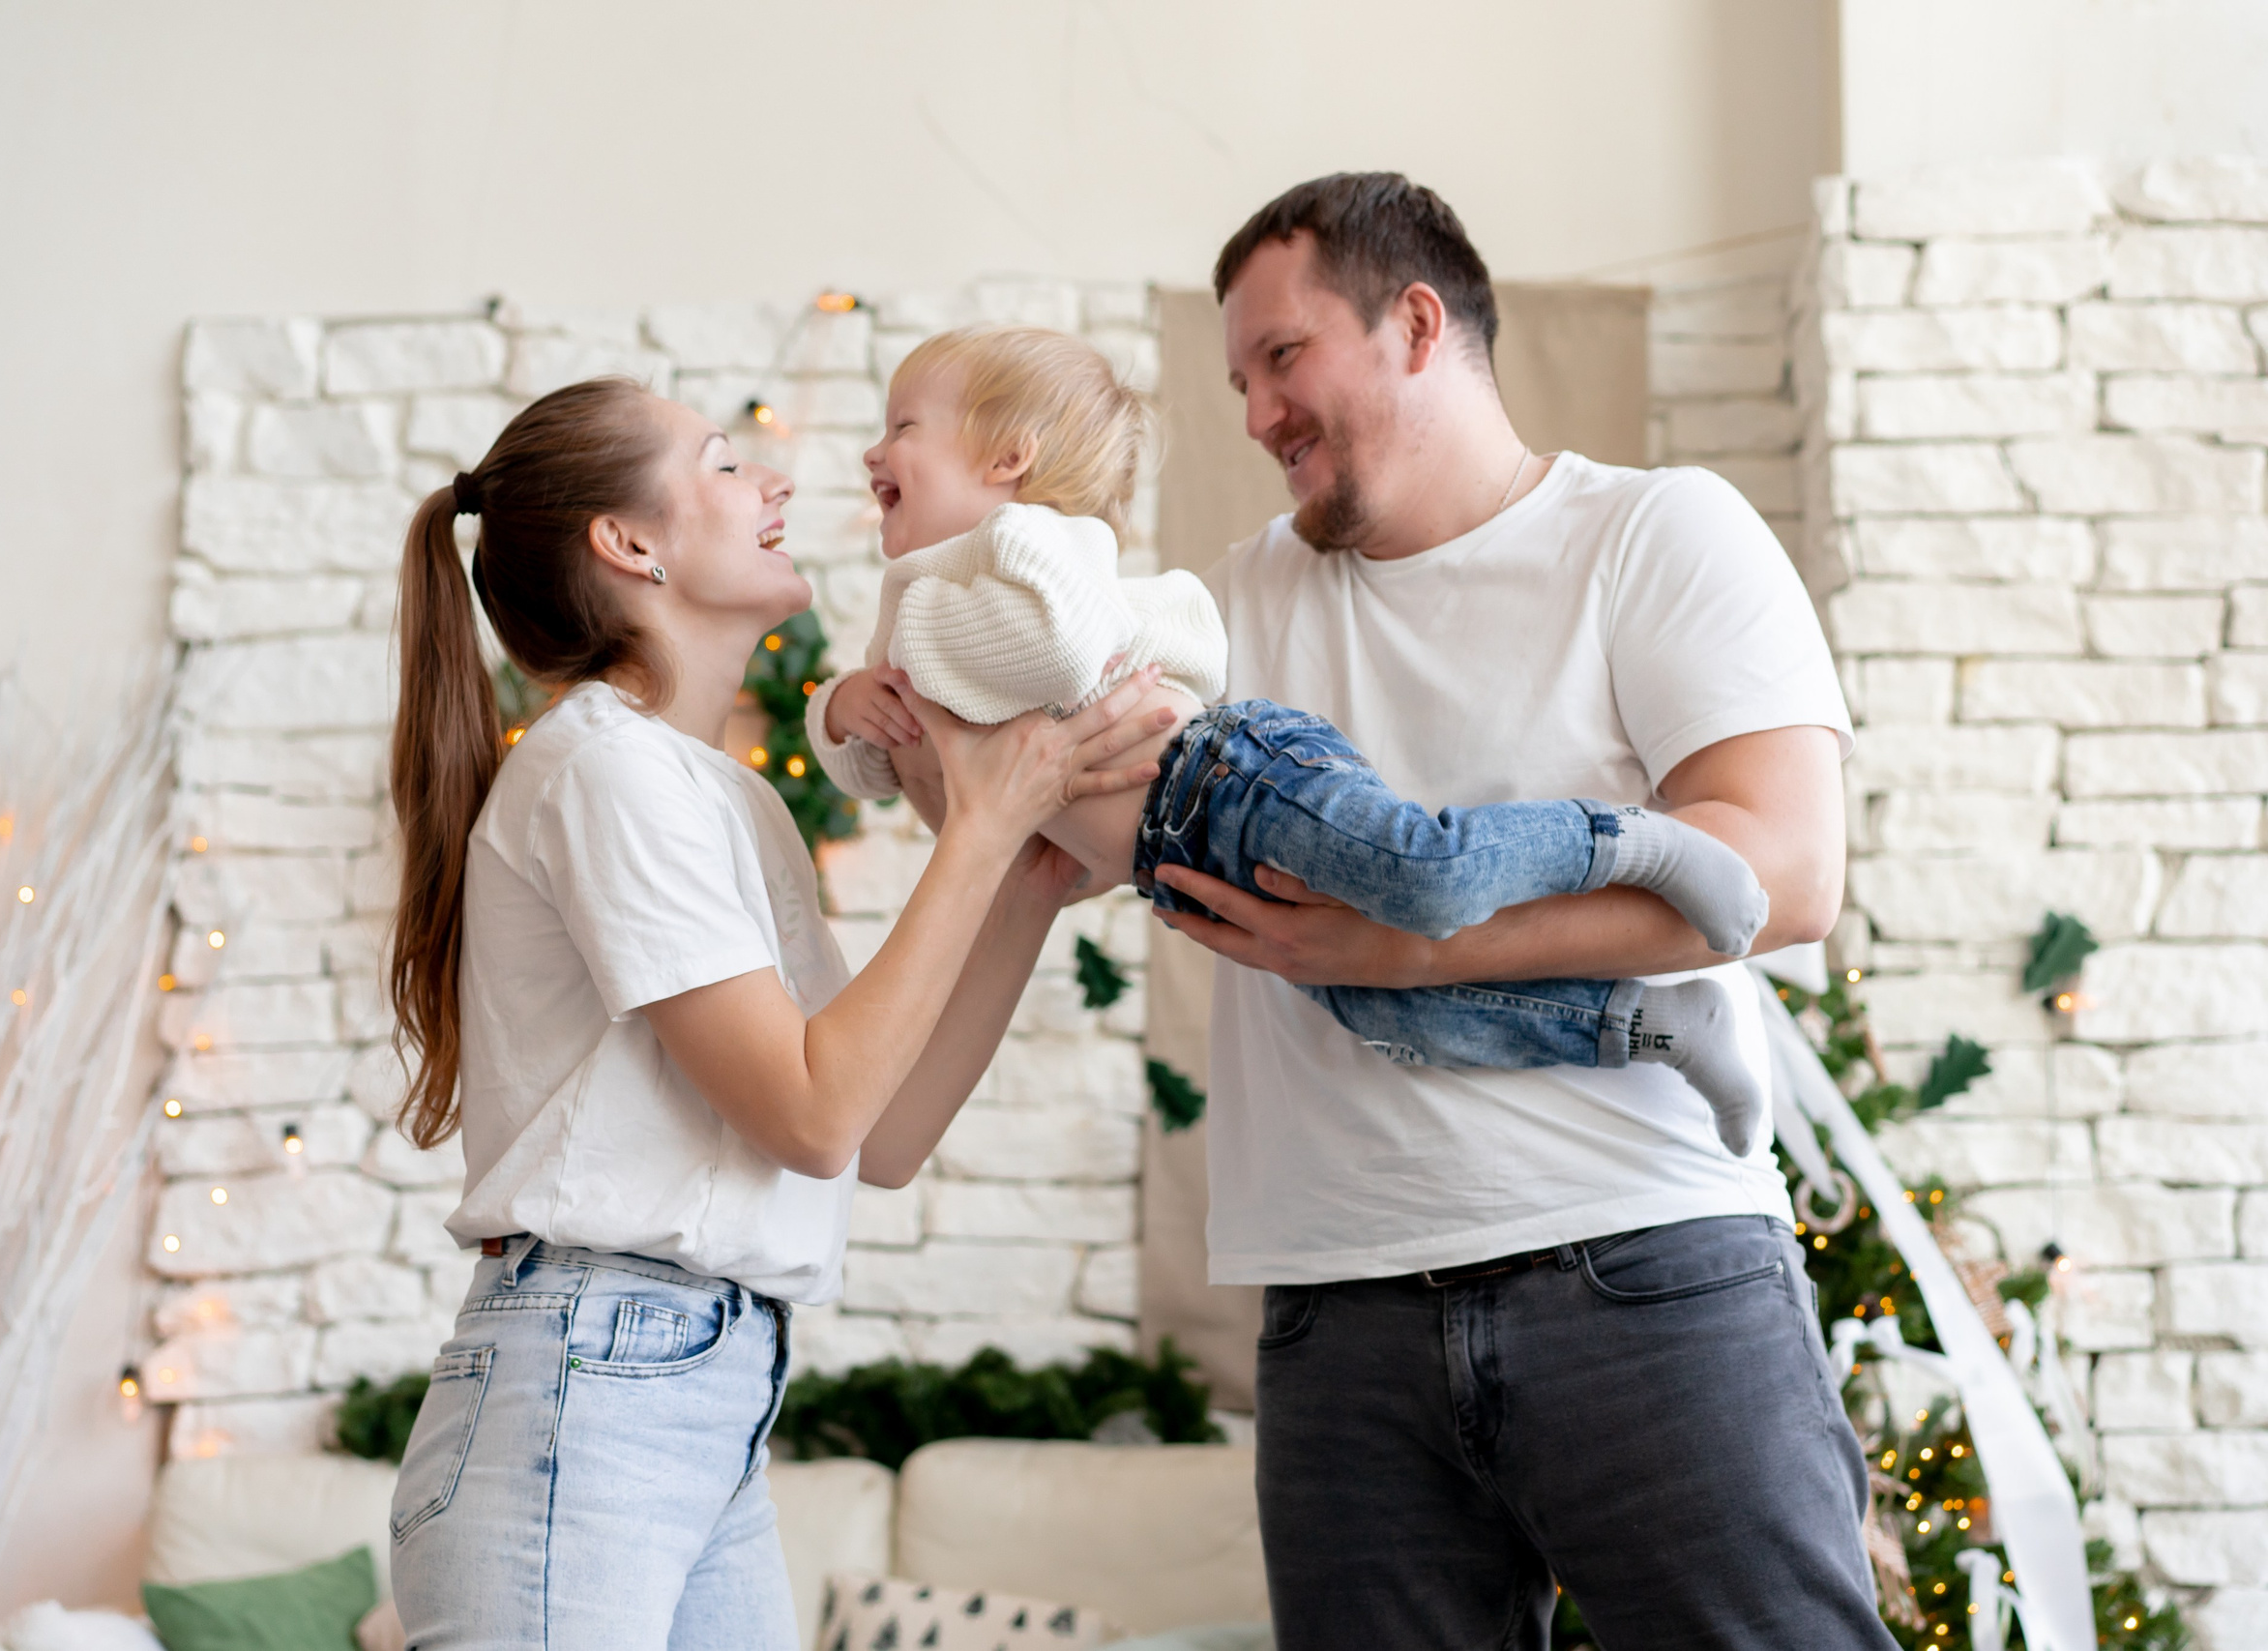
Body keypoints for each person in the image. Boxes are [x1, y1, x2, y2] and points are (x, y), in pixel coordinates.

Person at [1156, 174, 1890, 1650]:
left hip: (1643, 1256)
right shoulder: (1224, 610)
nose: (1257, 414)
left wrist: (1409, 944)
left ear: (1418, 323)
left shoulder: (1655, 534)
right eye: (1238, 382)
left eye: (1283, 357)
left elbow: (1787, 868)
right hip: (1335, 1308)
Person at [379, 376, 1172, 1651]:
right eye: (723, 462)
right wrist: (980, 825)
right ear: (628, 543)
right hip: (590, 1383)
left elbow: (880, 1133)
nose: (777, 481)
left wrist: (1025, 875)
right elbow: (814, 1115)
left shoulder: (728, 799)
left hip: (699, 1388)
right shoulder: (604, 769)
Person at [807, 324, 1773, 1147]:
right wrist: (844, 707)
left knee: (1425, 877)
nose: (872, 454)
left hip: (1227, 779)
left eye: (902, 428)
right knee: (1396, 1014)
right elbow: (878, 768)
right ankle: (1653, 1026)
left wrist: (925, 651)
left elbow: (1058, 656)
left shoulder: (1034, 544)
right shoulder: (922, 597)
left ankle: (1635, 843)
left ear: (1008, 460)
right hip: (1180, 862)